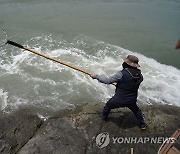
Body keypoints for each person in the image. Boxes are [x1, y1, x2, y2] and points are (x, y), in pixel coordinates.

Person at [91, 55, 146, 130]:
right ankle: (142, 125)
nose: (123, 63)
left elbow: (108, 81)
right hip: (132, 100)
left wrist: (96, 76)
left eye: (125, 62)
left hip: (119, 100)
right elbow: (130, 84)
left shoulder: (121, 74)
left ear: (127, 64)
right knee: (136, 110)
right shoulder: (140, 76)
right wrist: (121, 85)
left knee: (108, 106)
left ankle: (103, 117)